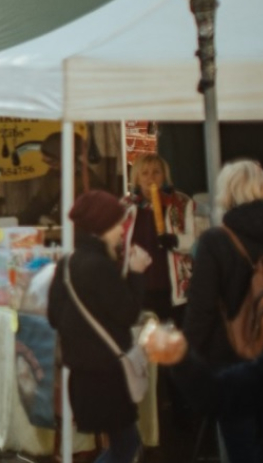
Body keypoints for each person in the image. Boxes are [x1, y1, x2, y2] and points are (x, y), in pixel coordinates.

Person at [183, 159, 263, 459]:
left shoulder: (215, 241)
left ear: (226, 194)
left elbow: (200, 311)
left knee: (240, 450)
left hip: (232, 366)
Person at [47, 189, 151, 463]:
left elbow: (54, 317)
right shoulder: (100, 267)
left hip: (82, 376)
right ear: (101, 227)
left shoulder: (68, 263)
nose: (121, 230)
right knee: (127, 446)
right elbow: (128, 313)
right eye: (117, 224)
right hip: (107, 376)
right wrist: (137, 275)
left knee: (124, 444)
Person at [120, 153, 196, 319]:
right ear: (137, 178)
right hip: (138, 286)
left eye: (156, 172)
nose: (150, 178)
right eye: (144, 173)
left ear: (165, 176)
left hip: (173, 288)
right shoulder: (125, 206)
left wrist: (175, 240)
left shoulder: (182, 203)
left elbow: (196, 241)